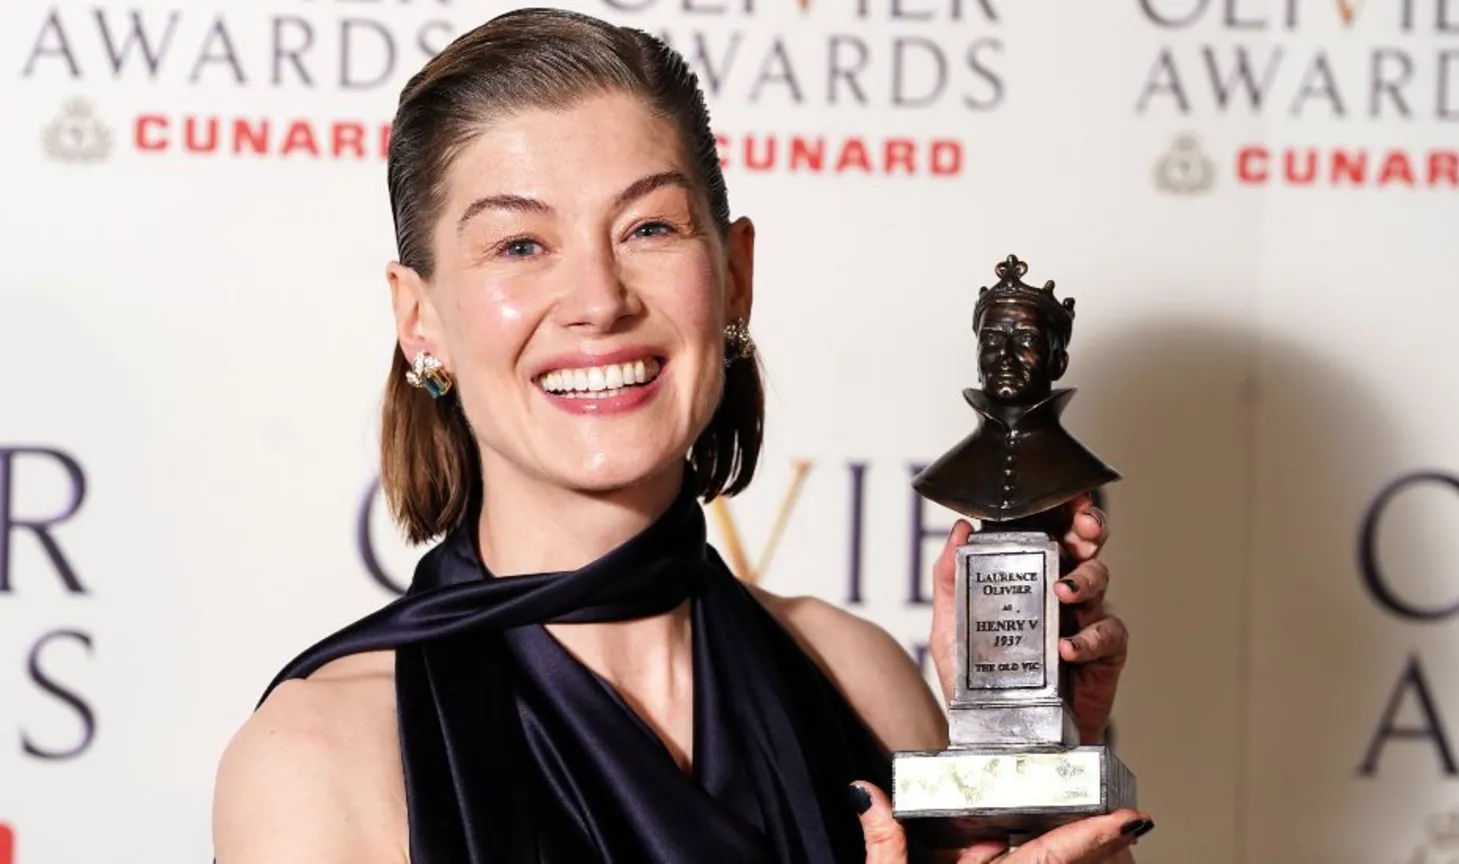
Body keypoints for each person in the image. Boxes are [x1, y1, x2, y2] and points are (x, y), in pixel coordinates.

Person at [210, 8, 1149, 863]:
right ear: (419, 319)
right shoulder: (318, 756)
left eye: (649, 227)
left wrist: (1038, 775)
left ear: (734, 275)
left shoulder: (856, 677)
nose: (599, 301)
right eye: (521, 246)